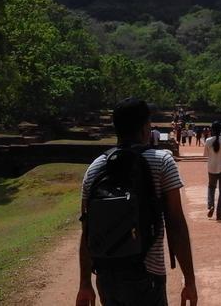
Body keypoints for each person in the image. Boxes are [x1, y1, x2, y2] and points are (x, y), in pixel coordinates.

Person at [77, 98, 198, 306]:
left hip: (107, 275)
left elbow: (87, 230)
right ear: (145, 128)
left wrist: (85, 283)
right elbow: (175, 224)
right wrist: (189, 280)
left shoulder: (95, 168)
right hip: (147, 274)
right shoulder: (162, 161)